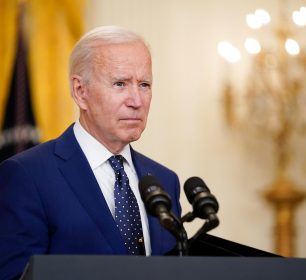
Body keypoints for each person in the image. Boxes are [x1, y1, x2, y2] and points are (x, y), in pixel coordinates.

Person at [0, 26, 181, 280]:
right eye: (120, 83)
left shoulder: (165, 181)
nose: (136, 101)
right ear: (80, 92)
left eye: (144, 84)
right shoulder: (27, 176)